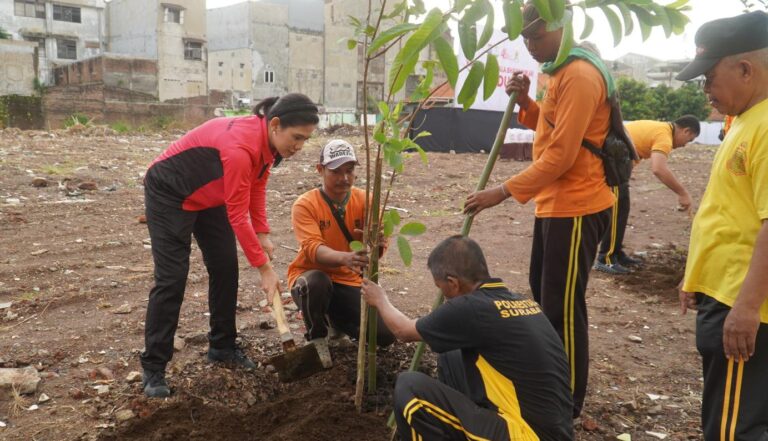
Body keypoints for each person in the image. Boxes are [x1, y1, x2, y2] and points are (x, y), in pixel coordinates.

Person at [463, 2, 613, 418]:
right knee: (545, 296)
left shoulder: (580, 74)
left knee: (563, 308)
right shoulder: (554, 70)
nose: (530, 45)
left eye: (536, 36)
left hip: (579, 204)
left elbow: (563, 155)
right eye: (524, 37)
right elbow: (550, 128)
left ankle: (565, 405)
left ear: (562, 25)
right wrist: (528, 102)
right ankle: (550, 384)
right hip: (554, 204)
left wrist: (503, 191)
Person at [140, 94, 319, 398]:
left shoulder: (268, 144)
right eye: (297, 137)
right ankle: (153, 366)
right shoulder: (240, 147)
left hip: (210, 195)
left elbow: (257, 183)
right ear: (275, 125)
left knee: (225, 266)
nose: (299, 146)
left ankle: (222, 346)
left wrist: (262, 233)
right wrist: (264, 269)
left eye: (306, 139)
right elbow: (237, 214)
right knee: (172, 278)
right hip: (170, 191)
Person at [360, 235, 573, 441]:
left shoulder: (470, 308)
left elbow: (403, 331)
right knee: (450, 352)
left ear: (452, 283)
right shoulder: (520, 302)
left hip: (525, 434)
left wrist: (380, 300)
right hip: (552, 430)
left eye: (440, 287)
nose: (443, 294)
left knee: (410, 388)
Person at [677, 11, 768, 441]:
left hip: (742, 302)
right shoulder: (744, 121)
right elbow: (729, 212)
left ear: (745, 69)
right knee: (727, 414)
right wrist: (696, 276)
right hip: (724, 293)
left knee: (734, 428)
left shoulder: (766, 126)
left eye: (709, 77)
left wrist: (747, 308)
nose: (706, 90)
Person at [287, 139, 394, 368]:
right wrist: (346, 257)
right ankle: (317, 336)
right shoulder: (305, 204)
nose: (344, 178)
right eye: (336, 171)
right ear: (320, 169)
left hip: (349, 281)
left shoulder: (367, 200)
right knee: (315, 282)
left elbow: (377, 252)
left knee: (385, 336)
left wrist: (377, 243)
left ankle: (336, 321)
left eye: (349, 170)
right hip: (311, 277)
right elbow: (313, 250)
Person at [594, 115, 700, 275]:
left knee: (622, 210)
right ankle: (606, 259)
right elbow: (658, 168)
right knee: (617, 211)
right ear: (686, 131)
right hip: (610, 164)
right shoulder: (664, 136)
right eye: (689, 140)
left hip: (615, 163)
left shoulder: (661, 129)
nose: (685, 145)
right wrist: (682, 193)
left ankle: (616, 253)